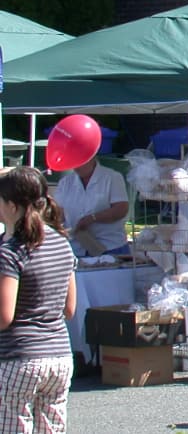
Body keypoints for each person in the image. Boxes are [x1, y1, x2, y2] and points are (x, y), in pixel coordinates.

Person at [0, 166, 77, 434]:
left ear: (11, 206)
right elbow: (69, 309)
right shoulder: (62, 243)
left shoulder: (9, 252)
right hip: (60, 355)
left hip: (18, 356)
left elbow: (4, 316)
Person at [53, 156, 130, 257]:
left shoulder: (112, 177)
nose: (77, 166)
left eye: (80, 162)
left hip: (110, 246)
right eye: (73, 162)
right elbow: (59, 214)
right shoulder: (65, 182)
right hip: (75, 248)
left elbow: (121, 209)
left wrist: (92, 218)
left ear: (91, 158)